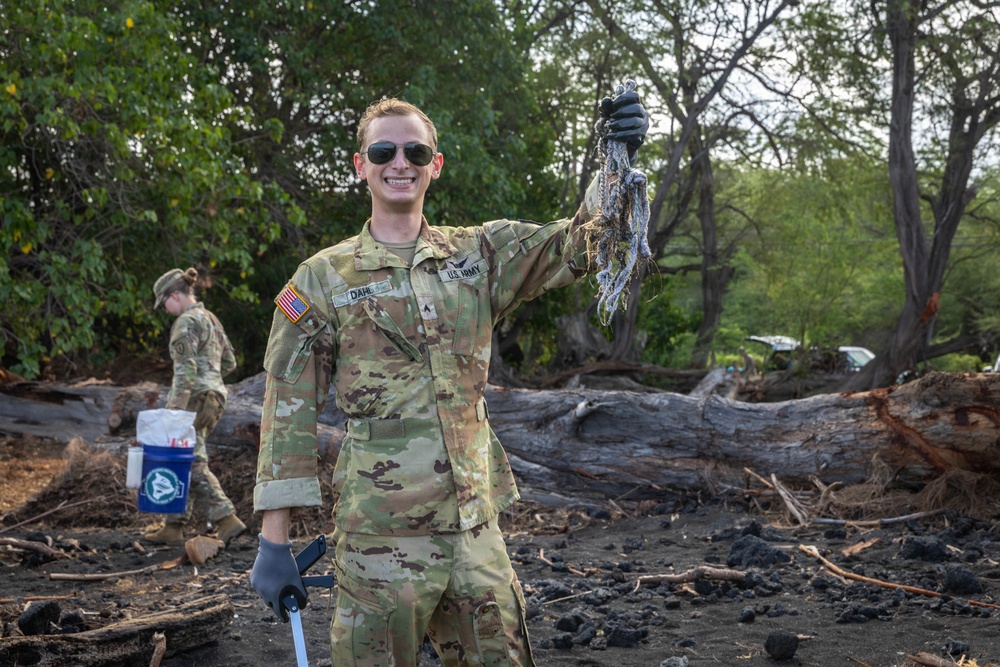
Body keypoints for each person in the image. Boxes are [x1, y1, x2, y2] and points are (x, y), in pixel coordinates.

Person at [249, 92, 649, 666]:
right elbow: (288, 410)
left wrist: (615, 162)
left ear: (435, 164)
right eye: (383, 150)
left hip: (473, 533)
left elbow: (578, 241)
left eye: (416, 150)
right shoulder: (319, 279)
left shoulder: (479, 255)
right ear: (360, 165)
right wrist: (273, 539)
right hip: (378, 541)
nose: (399, 162)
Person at [147, 267, 247, 546]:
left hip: (193, 398)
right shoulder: (210, 319)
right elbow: (229, 363)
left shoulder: (185, 323)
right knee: (186, 456)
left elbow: (185, 372)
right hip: (214, 397)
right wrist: (211, 380)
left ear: (175, 295)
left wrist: (174, 412)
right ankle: (174, 525)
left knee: (190, 461)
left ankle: (227, 519)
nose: (164, 309)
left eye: (163, 303)